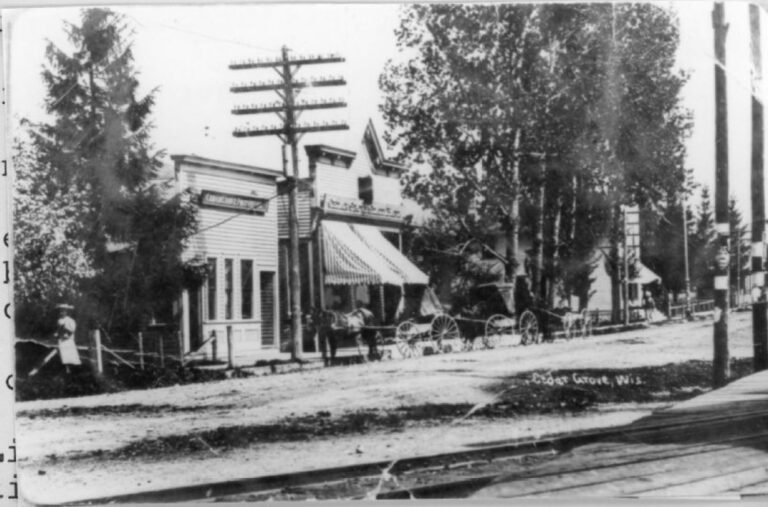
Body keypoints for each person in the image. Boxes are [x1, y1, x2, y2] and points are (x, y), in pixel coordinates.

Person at [55, 304, 81, 371]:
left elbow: (72, 330)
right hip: (61, 341)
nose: (62, 312)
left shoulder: (70, 320)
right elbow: (58, 330)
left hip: (68, 341)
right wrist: (57, 333)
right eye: (61, 311)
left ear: (66, 312)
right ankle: (66, 371)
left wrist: (65, 328)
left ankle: (74, 371)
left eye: (63, 311)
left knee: (72, 358)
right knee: (64, 359)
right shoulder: (59, 320)